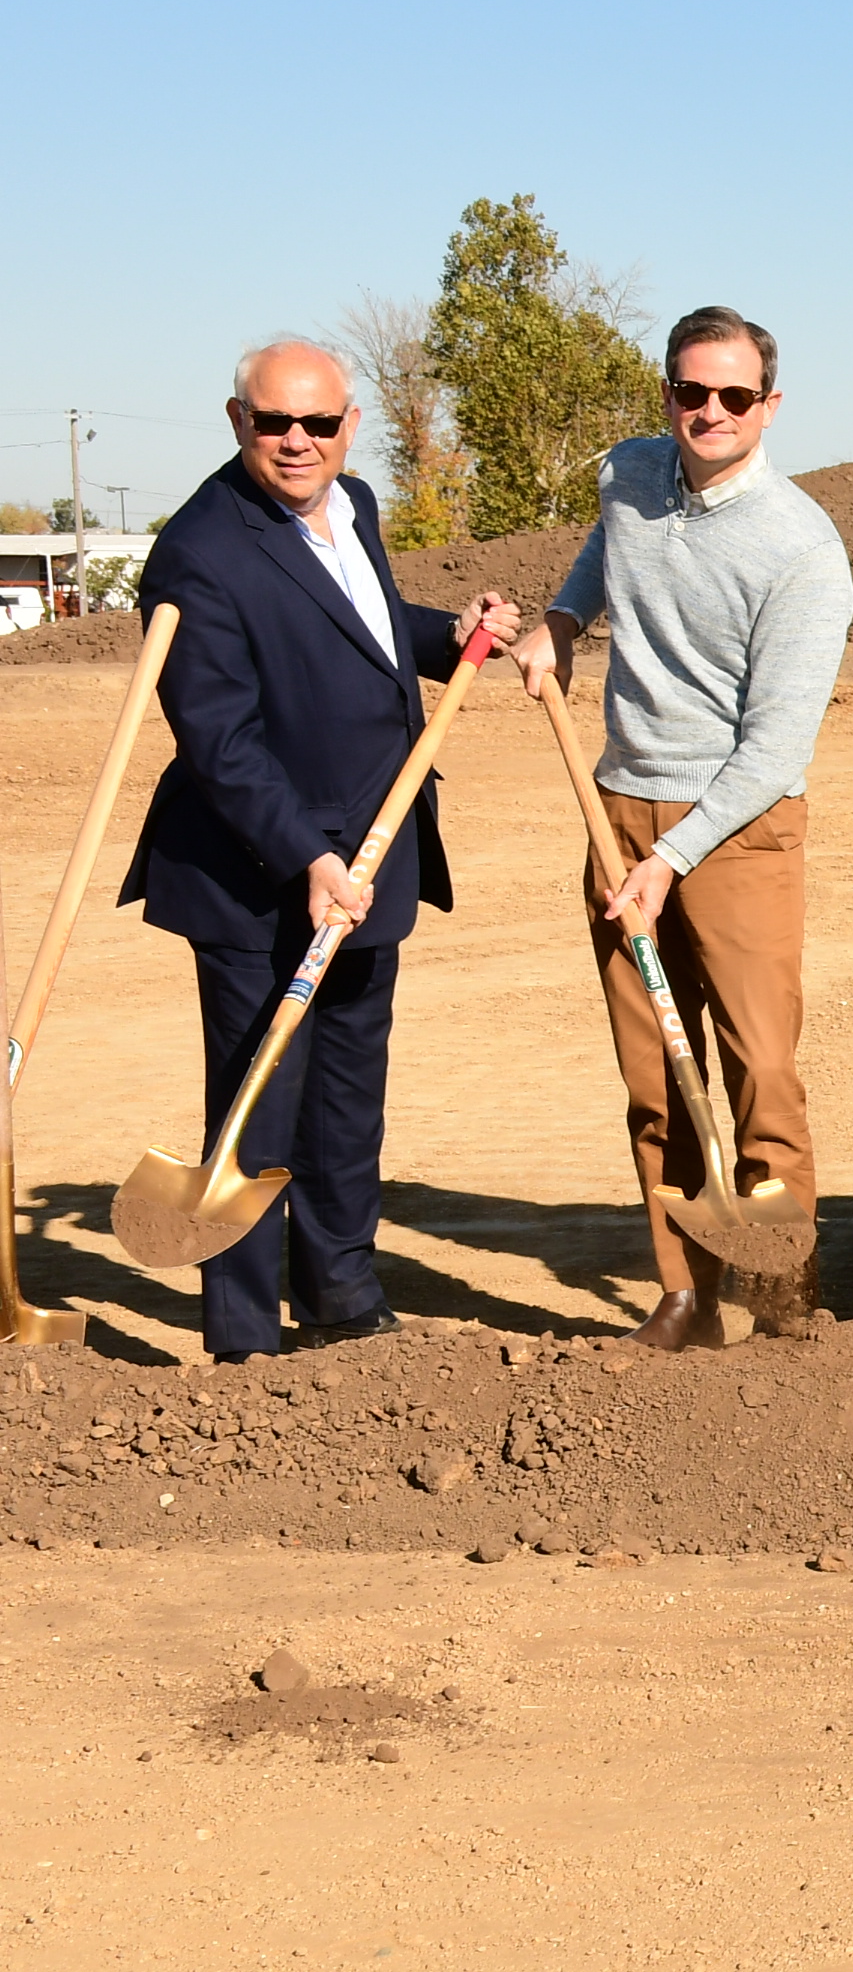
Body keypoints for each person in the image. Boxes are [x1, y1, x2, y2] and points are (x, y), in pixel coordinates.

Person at [124, 340, 521, 1362]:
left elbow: (366, 626)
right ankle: (247, 1334)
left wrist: (452, 637)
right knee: (261, 1101)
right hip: (261, 876)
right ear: (236, 420)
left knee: (347, 1091)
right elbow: (219, 736)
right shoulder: (200, 552)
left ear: (349, 425)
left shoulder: (354, 505)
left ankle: (341, 1290)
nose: (296, 442)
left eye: (317, 423)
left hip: (374, 851)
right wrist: (306, 856)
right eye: (273, 423)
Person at [513, 306, 853, 1351]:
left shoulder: (801, 549)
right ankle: (683, 1293)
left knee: (759, 1066)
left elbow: (772, 749)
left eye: (734, 396)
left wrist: (672, 858)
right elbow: (600, 557)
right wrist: (562, 622)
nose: (709, 411)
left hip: (739, 829)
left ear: (770, 406)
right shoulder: (627, 472)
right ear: (667, 391)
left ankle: (783, 1293)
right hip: (614, 804)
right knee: (655, 1069)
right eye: (690, 391)